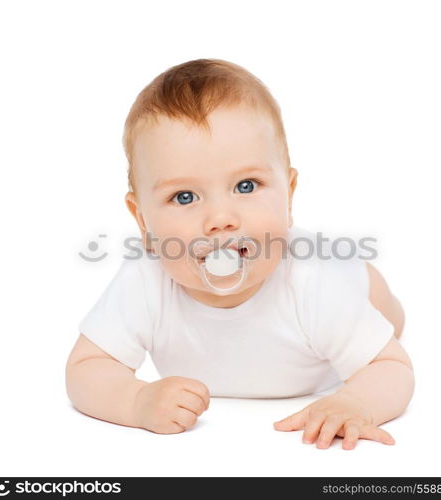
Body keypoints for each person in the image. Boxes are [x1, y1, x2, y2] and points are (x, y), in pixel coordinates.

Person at [66, 58, 413, 450]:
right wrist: (134, 401)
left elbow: (392, 366)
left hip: (351, 279)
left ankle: (380, 301)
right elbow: (85, 368)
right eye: (184, 197)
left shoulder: (315, 282)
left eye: (246, 186)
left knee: (388, 319)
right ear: (142, 221)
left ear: (289, 195)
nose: (220, 219)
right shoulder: (145, 280)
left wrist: (356, 401)